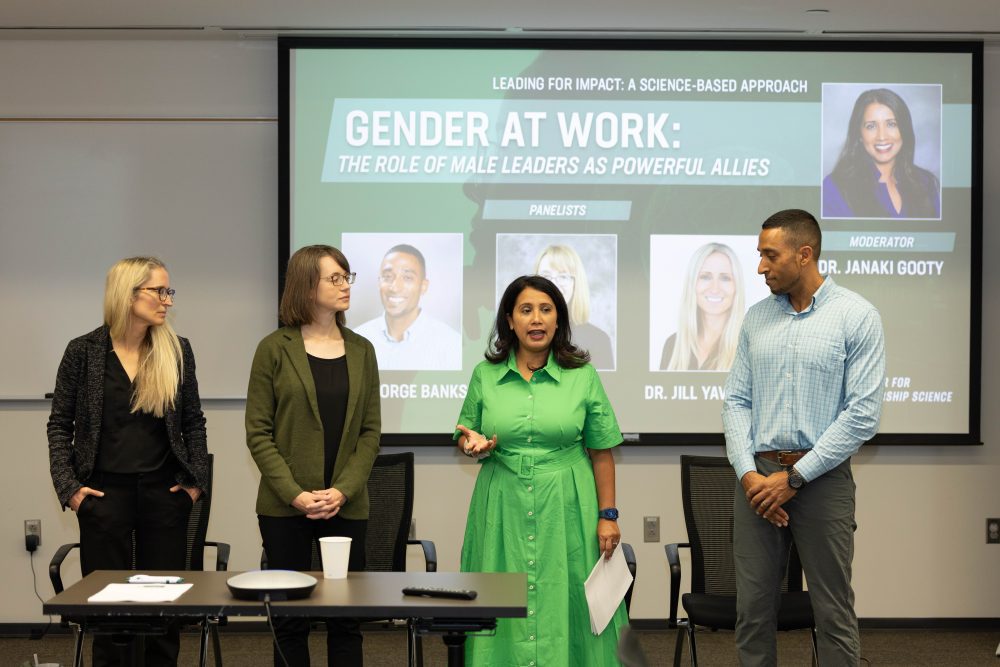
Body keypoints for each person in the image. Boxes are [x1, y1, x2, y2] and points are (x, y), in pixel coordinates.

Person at [722, 209, 885, 666]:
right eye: (759, 255)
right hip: (758, 481)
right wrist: (750, 474)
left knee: (832, 612)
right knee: (752, 612)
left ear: (804, 253)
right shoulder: (756, 319)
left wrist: (794, 478)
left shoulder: (857, 316)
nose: (760, 267)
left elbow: (863, 416)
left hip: (823, 478)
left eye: (770, 255)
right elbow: (736, 402)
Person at [454, 274, 628, 666]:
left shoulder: (581, 375)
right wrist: (472, 446)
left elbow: (601, 452)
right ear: (510, 320)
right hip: (502, 504)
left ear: (558, 320)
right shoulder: (486, 375)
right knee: (501, 595)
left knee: (568, 597)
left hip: (569, 505)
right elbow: (465, 434)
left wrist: (608, 516)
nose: (537, 319)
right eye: (526, 310)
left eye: (546, 310)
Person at [47, 257, 209, 667]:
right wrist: (70, 490)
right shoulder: (82, 352)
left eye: (168, 291)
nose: (167, 301)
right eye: (159, 291)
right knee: (108, 614)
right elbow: (58, 425)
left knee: (164, 612)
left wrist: (195, 486)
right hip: (103, 496)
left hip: (165, 495)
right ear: (128, 293)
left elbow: (194, 423)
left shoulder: (177, 350)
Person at [246, 245, 381, 667]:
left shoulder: (362, 349)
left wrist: (342, 490)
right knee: (289, 619)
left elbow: (370, 433)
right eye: (334, 278)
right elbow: (258, 433)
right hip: (285, 509)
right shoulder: (273, 348)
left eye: (347, 277)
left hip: (347, 505)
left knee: (345, 621)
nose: (345, 286)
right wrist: (296, 495)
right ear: (307, 286)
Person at [823, 87, 940, 219]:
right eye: (871, 126)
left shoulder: (925, 183)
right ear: (859, 135)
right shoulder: (835, 188)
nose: (882, 136)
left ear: (904, 130)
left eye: (891, 124)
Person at [354, 244, 461, 370]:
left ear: (424, 286)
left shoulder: (450, 344)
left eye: (407, 278)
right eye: (387, 277)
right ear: (379, 282)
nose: (395, 287)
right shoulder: (358, 340)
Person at [659, 242, 745, 371]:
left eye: (725, 278)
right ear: (692, 284)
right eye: (705, 277)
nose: (715, 289)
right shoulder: (673, 345)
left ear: (736, 287)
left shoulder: (749, 347)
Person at [533, 243, 615, 369]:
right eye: (546, 276)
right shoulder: (519, 336)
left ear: (576, 284)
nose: (554, 284)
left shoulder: (599, 340)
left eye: (563, 276)